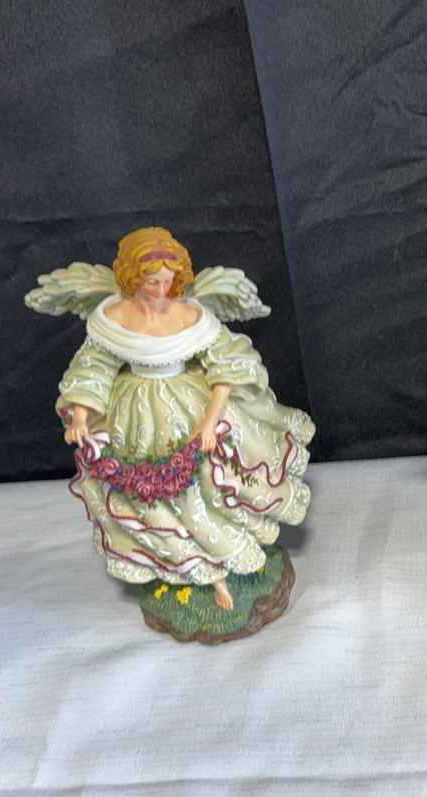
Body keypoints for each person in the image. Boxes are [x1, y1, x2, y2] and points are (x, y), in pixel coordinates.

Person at [55, 227, 313, 610]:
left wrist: (209, 422)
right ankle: (191, 570)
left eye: (167, 281)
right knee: (148, 496)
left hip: (189, 403)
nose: (161, 290)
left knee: (207, 482)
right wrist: (80, 416)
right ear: (132, 277)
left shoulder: (190, 315)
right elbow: (94, 367)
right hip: (134, 413)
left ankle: (223, 563)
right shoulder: (114, 317)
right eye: (151, 282)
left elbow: (225, 367)